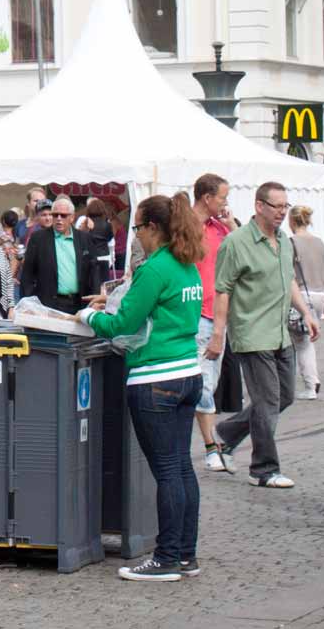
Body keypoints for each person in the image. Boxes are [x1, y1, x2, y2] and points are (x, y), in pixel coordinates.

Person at [77, 193, 205, 582]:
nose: (137, 237)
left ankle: (165, 559)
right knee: (181, 468)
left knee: (167, 471)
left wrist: (89, 315)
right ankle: (185, 555)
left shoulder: (155, 268)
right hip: (187, 372)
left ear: (152, 228)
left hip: (154, 378)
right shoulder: (187, 265)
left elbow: (121, 325)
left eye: (138, 229)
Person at [209, 182, 320, 489]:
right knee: (267, 400)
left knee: (284, 396)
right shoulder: (236, 243)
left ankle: (228, 435)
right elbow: (223, 290)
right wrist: (218, 333)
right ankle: (264, 468)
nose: (282, 213)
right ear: (259, 206)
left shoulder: (284, 241)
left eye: (285, 207)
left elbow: (290, 281)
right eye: (276, 207)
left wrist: (307, 313)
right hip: (252, 333)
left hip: (280, 332)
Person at [191, 174, 236, 472]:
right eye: (222, 197)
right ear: (207, 198)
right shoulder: (186, 228)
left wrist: (232, 224)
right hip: (193, 314)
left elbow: (243, 255)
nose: (225, 202)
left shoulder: (222, 228)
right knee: (203, 384)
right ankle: (211, 446)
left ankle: (211, 443)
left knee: (211, 382)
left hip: (219, 314)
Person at [21, 197, 100, 314]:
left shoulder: (84, 239)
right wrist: (30, 303)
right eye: (55, 215)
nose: (58, 219)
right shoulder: (38, 239)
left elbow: (93, 272)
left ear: (72, 217)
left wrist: (95, 300)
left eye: (63, 215)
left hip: (79, 303)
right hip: (47, 305)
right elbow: (27, 274)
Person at [288, 206, 324, 399]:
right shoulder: (320, 243)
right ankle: (311, 381)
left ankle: (309, 384)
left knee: (300, 342)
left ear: (292, 221)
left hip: (300, 296)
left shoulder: (291, 243)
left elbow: (288, 275)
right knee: (306, 340)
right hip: (320, 295)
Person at [84, 198, 114, 283]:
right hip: (104, 255)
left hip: (89, 256)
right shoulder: (107, 224)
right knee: (104, 284)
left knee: (90, 283)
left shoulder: (85, 223)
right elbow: (109, 239)